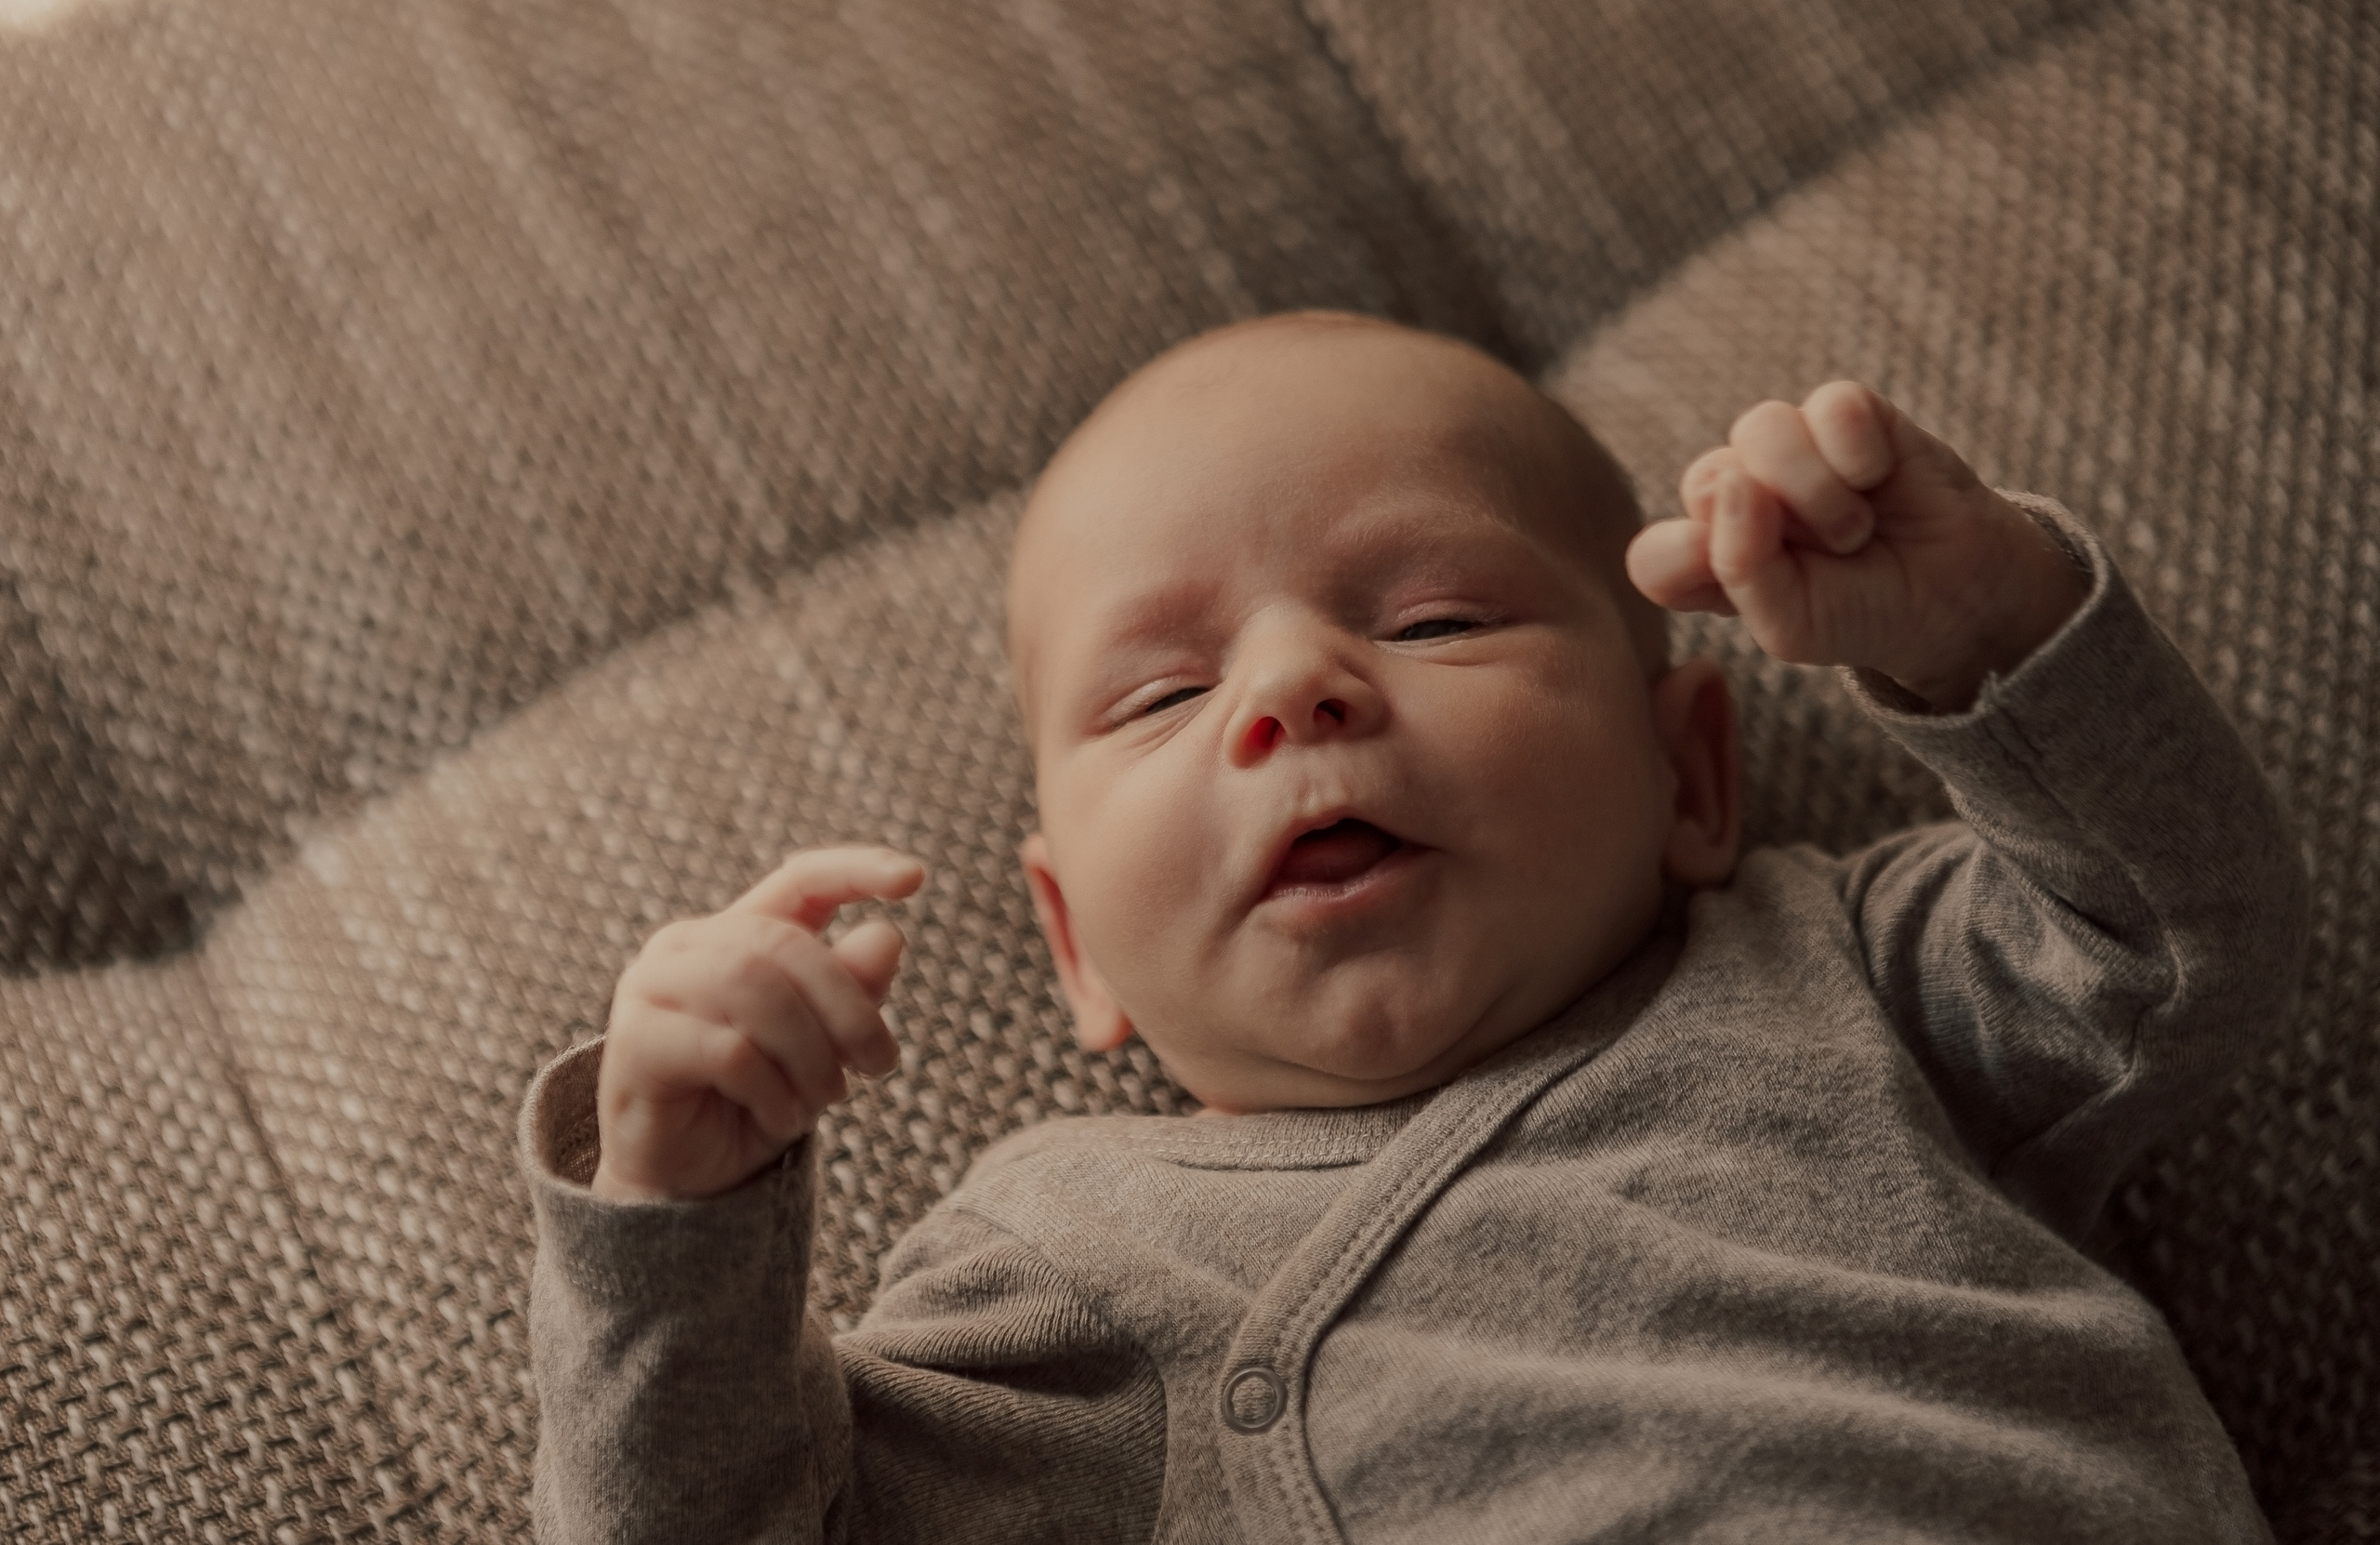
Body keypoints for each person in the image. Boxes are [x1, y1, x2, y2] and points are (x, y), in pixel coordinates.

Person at [516, 310, 2304, 1541]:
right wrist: (678, 1216)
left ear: (1694, 778)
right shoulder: (1056, 1256)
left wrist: (1989, 620)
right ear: (1075, 944)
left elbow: (2172, 939)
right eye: (1160, 696)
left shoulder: (1839, 969)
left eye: (1439, 619)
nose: (1293, 690)